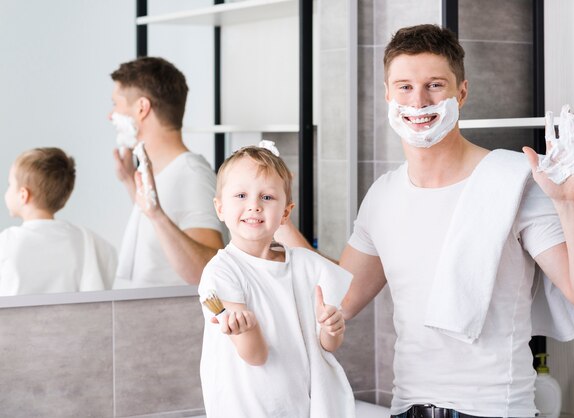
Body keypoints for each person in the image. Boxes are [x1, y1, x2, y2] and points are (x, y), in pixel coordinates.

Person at [275, 24, 574, 417]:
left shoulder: (514, 182)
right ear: (387, 95)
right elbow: (337, 300)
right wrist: (273, 215)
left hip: (495, 409)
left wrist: (570, 203)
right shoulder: (383, 196)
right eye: (404, 86)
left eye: (434, 85)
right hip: (406, 406)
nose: (418, 101)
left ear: (462, 92)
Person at [198, 144, 355, 418]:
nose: (254, 206)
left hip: (300, 406)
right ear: (220, 208)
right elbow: (256, 356)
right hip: (249, 408)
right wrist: (246, 330)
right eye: (241, 195)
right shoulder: (223, 271)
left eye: (267, 197)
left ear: (285, 212)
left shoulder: (306, 266)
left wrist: (332, 329)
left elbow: (326, 347)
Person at [109, 57, 225, 288]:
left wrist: (157, 215)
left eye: (116, 104)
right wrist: (129, 182)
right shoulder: (158, 171)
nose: (110, 115)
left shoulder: (193, 175)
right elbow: (160, 238)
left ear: (142, 108)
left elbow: (210, 270)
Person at [0, 147, 117, 295]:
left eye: (9, 184)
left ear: (24, 195)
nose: (7, 190)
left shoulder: (7, 241)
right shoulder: (86, 240)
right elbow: (109, 260)